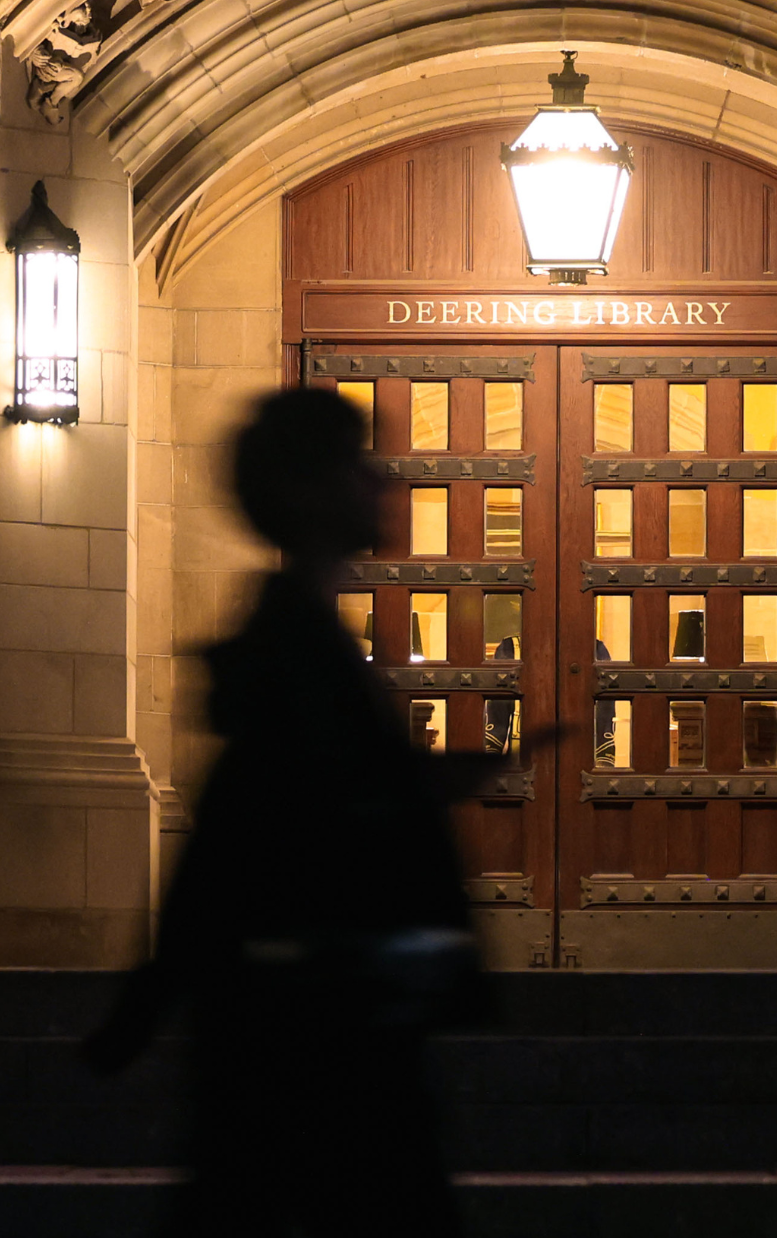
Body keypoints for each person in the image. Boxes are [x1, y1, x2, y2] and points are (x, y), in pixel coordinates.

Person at [82, 386, 517, 1237]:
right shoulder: (296, 659)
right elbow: (253, 836)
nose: (384, 481)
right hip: (320, 1065)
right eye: (361, 464)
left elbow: (270, 820)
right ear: (312, 489)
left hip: (314, 1055)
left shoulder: (299, 648)